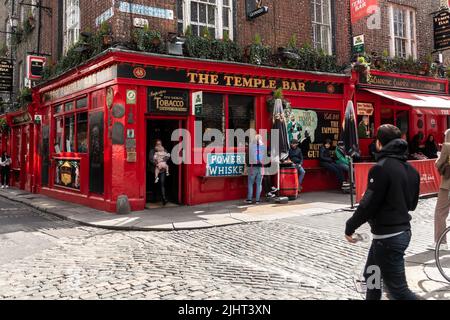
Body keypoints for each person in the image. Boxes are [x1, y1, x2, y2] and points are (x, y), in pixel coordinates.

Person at [345, 124, 420, 300]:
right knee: (372, 276)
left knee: (399, 291)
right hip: (397, 233)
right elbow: (412, 204)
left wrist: (350, 226)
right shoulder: (412, 170)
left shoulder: (380, 168)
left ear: (379, 143)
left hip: (388, 237)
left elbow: (368, 204)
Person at [432, 129, 450, 251]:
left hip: (447, 185)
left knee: (440, 212)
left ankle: (441, 242)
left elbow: (439, 164)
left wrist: (438, 160)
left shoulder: (447, 146)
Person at [246, 134, 266, 204]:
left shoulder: (251, 147)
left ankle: (249, 199)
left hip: (252, 167)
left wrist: (248, 165)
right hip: (261, 167)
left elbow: (247, 157)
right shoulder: (263, 147)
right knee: (259, 184)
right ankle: (257, 200)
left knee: (250, 183)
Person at [148, 140, 170, 205]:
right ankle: (154, 198)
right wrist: (157, 164)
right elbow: (151, 159)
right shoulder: (152, 151)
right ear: (155, 144)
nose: (159, 145)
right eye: (157, 144)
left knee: (162, 183)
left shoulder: (164, 150)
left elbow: (167, 157)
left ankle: (163, 198)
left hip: (162, 169)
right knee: (155, 184)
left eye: (160, 144)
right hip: (155, 170)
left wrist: (161, 161)